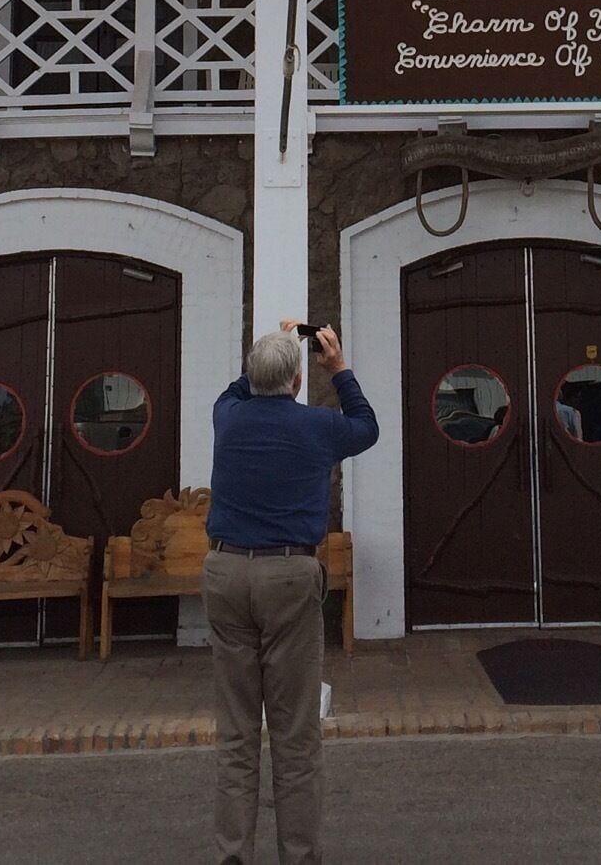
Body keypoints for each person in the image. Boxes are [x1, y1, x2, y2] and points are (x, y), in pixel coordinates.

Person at [204, 320, 380, 865]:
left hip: (226, 572)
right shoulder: (318, 427)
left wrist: (269, 351)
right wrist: (340, 366)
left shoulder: (228, 419)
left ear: (252, 376)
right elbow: (367, 427)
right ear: (299, 380)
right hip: (289, 576)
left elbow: (238, 387)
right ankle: (298, 857)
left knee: (236, 732)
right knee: (295, 733)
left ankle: (232, 855)